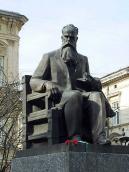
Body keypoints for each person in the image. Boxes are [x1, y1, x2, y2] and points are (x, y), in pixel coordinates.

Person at [30, 24, 115, 144]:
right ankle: (75, 137)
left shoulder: (83, 59)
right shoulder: (49, 57)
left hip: (81, 96)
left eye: (72, 38)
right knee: (74, 95)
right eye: (66, 37)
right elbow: (33, 81)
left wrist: (90, 81)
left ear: (77, 39)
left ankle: (99, 138)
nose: (68, 41)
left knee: (97, 95)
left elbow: (87, 82)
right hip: (60, 98)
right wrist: (47, 84)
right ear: (61, 38)